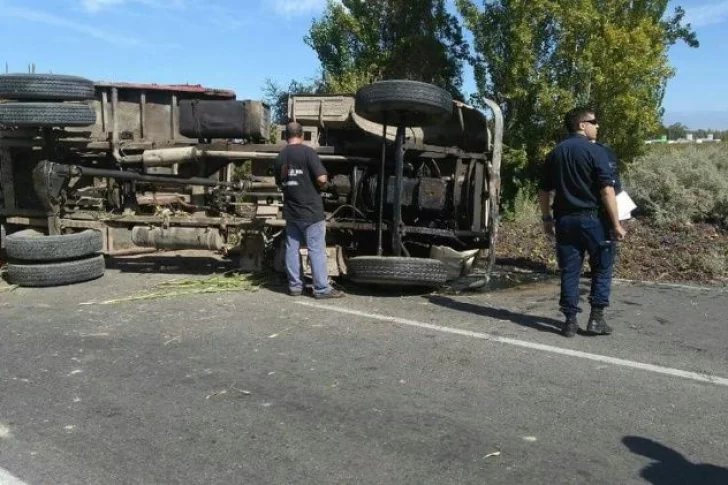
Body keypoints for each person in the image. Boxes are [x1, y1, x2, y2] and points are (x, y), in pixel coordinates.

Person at [538, 108, 626, 337]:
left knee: (569, 271)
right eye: (594, 122)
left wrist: (547, 218)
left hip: (565, 221)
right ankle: (596, 319)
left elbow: (544, 190)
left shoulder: (555, 153)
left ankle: (569, 321)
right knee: (602, 267)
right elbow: (607, 190)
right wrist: (616, 224)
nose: (597, 126)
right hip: (594, 221)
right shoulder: (596, 152)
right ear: (581, 125)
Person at [273, 121, 344, 299]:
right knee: (316, 249)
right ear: (302, 135)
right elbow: (321, 178)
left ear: (286, 136)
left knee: (292, 247)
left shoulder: (280, 157)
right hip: (311, 211)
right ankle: (321, 289)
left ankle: (295, 286)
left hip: (291, 211)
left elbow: (280, 182)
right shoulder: (307, 152)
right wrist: (327, 184)